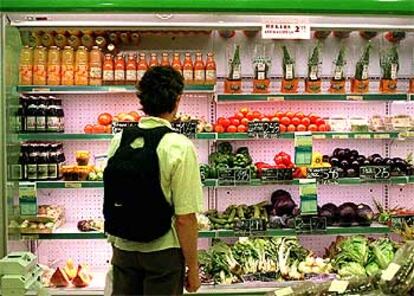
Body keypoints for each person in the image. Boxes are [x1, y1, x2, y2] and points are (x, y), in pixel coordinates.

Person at [103, 66, 203, 295]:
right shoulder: (178, 146)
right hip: (162, 256)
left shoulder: (119, 140)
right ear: (177, 100)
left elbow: (114, 198)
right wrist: (193, 268)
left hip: (123, 252)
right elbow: (185, 219)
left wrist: (116, 251)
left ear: (142, 98)